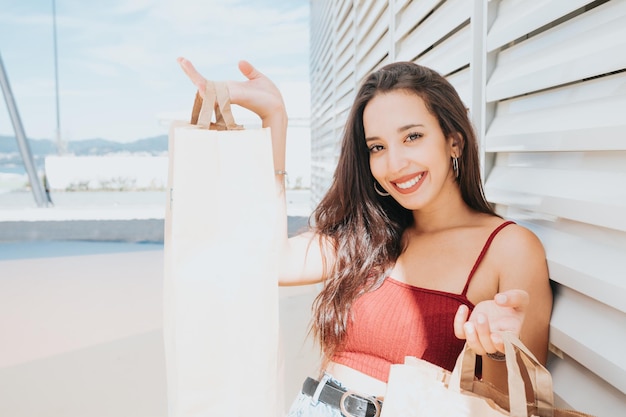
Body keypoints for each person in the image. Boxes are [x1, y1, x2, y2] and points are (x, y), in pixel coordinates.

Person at [178, 57, 553, 417]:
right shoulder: (369, 234)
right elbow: (272, 261)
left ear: (454, 141)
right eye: (377, 147)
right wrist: (274, 118)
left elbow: (515, 406)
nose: (394, 164)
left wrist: (496, 348)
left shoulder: (510, 248)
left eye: (413, 137)